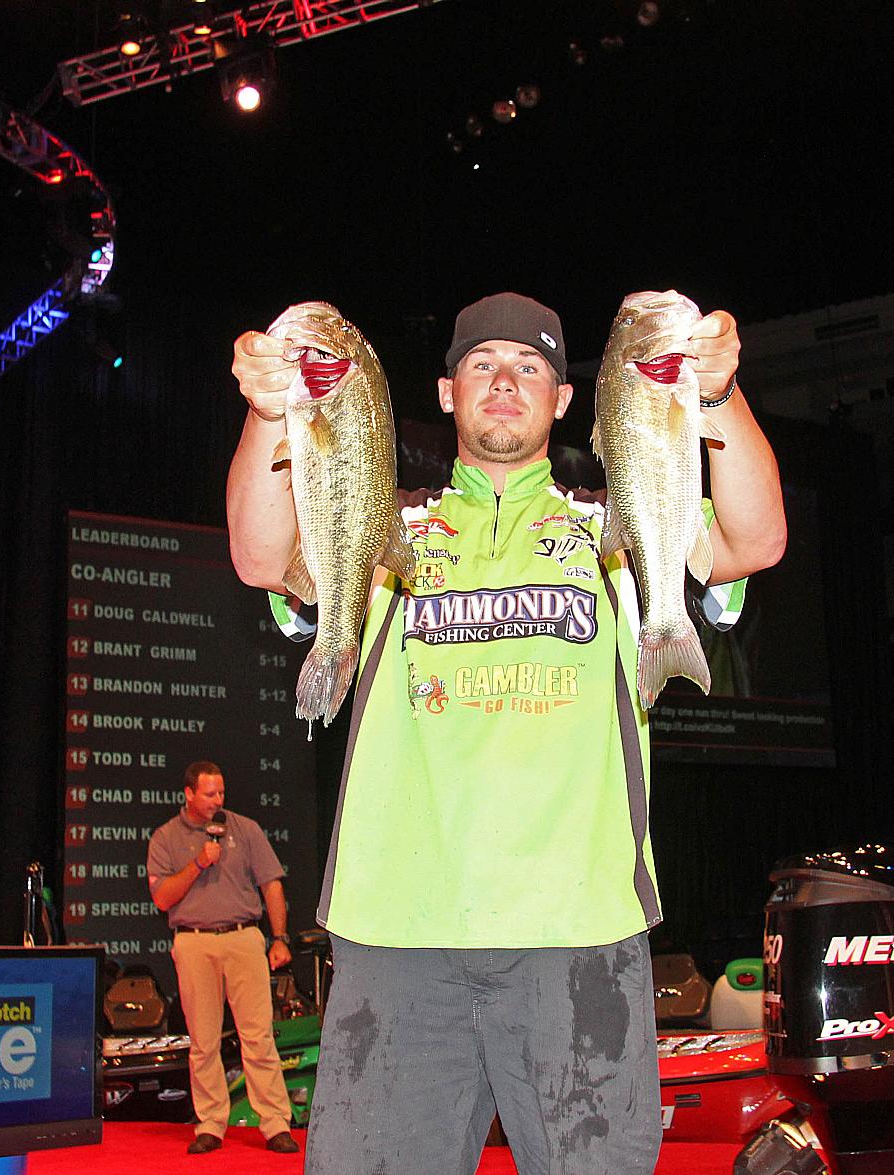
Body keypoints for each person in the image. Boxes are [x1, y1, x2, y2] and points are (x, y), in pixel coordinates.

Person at [226, 292, 786, 1173]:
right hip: (396, 938)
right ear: (446, 391)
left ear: (564, 401)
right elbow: (263, 559)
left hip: (580, 935)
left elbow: (756, 539)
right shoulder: (385, 525)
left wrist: (717, 396)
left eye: (531, 367)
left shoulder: (621, 521)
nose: (505, 382)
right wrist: (271, 417)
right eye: (483, 363)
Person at [145, 760, 298, 1155]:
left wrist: (279, 937)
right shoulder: (165, 837)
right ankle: (211, 1123)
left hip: (243, 938)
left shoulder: (245, 829)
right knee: (204, 1041)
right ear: (189, 794)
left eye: (221, 793)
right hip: (193, 942)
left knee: (258, 1036)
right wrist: (199, 862)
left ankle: (276, 1123)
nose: (218, 800)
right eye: (209, 793)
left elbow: (272, 885)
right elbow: (162, 898)